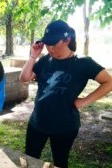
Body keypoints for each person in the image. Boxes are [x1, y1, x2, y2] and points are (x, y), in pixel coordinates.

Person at [19, 20, 112, 168]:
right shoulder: (45, 60)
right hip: (37, 122)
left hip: (65, 127)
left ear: (67, 40)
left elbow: (109, 82)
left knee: (60, 163)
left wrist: (84, 101)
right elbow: (24, 78)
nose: (49, 48)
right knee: (29, 160)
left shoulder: (83, 63)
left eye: (53, 44)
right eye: (47, 43)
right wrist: (33, 56)